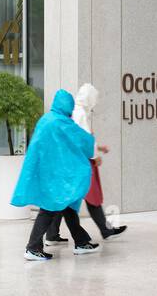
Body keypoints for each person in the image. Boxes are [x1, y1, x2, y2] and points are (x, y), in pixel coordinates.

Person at [11, 89, 99, 261]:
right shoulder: (62, 122)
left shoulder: (46, 120)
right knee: (49, 210)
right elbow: (83, 140)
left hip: (47, 173)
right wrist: (92, 144)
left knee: (66, 207)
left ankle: (81, 241)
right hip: (56, 177)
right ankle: (33, 247)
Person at [46, 83, 126, 244]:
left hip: (75, 161)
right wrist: (95, 156)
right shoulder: (80, 113)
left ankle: (52, 234)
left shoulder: (76, 111)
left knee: (67, 199)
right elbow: (82, 139)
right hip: (80, 162)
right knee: (90, 196)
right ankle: (102, 232)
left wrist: (98, 147)